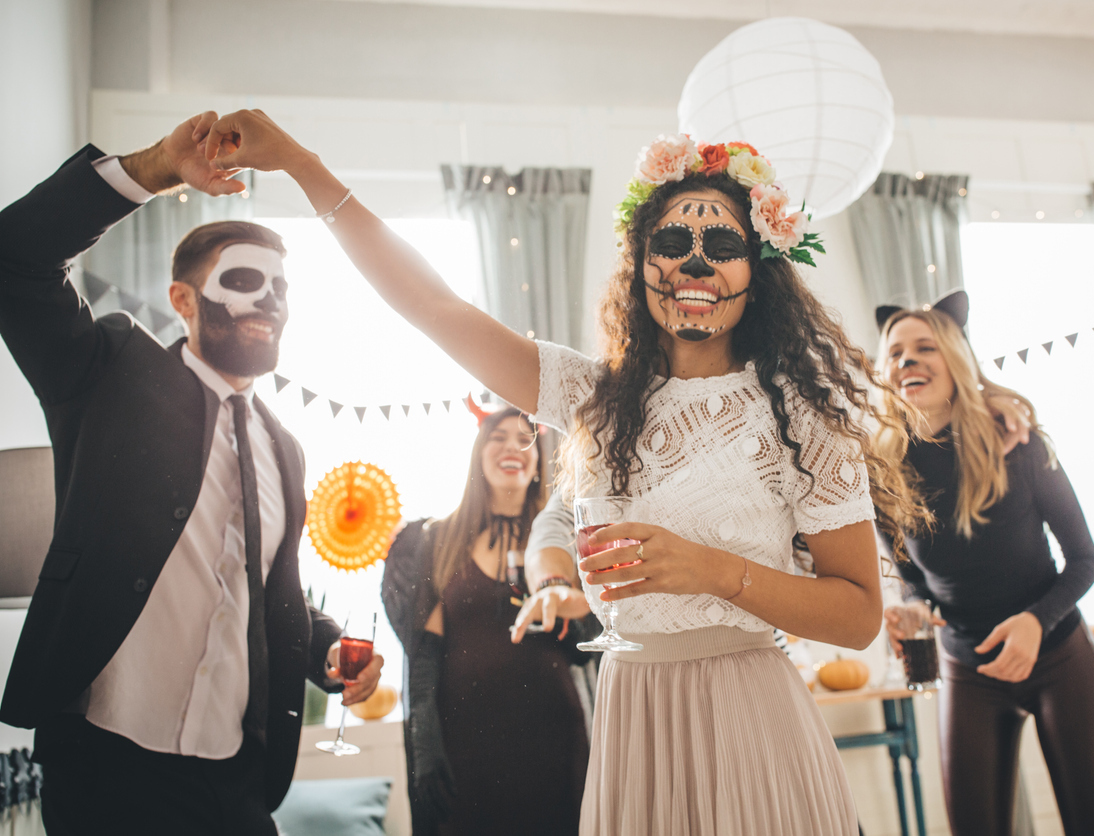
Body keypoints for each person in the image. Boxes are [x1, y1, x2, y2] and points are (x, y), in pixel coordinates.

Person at [199, 114, 931, 834]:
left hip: (750, 714)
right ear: (642, 263)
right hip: (633, 719)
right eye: (672, 242)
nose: (696, 265)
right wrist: (301, 163)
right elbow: (429, 304)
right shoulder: (593, 399)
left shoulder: (802, 420)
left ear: (758, 268)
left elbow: (859, 613)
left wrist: (711, 569)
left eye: (723, 244)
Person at [0, 113, 382, 835]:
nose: (269, 301)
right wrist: (151, 169)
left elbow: (266, 590)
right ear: (184, 301)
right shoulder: (107, 377)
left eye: (281, 289)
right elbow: (15, 257)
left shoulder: (285, 448)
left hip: (235, 782)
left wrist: (327, 647)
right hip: (107, 774)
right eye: (243, 280)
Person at [876, 292, 1094, 836]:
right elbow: (915, 581)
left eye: (924, 348)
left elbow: (1085, 559)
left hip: (1060, 657)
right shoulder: (884, 474)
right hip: (968, 668)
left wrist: (1036, 621)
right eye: (895, 353)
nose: (907, 361)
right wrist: (912, 610)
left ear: (957, 359)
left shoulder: (1021, 445)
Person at [381, 405, 596, 836]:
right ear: (479, 453)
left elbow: (585, 642)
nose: (512, 447)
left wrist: (574, 606)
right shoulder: (437, 539)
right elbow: (424, 656)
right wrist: (424, 741)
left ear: (539, 462)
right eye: (498, 438)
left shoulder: (562, 540)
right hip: (466, 740)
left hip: (553, 736)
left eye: (524, 439)